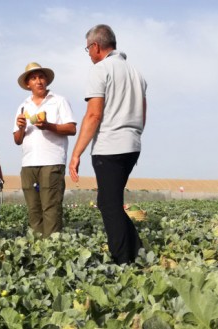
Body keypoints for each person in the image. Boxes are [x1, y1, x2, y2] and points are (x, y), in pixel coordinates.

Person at [69, 24, 147, 265]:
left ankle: (123, 260)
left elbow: (93, 115)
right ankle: (137, 249)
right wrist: (134, 134)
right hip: (132, 144)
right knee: (107, 201)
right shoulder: (136, 72)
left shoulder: (101, 70)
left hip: (109, 146)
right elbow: (143, 112)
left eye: (88, 49)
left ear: (96, 46)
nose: (89, 55)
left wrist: (76, 153)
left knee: (109, 205)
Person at [13, 62, 76, 238]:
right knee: (34, 209)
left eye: (41, 77)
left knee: (51, 208)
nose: (38, 81)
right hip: (28, 163)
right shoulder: (23, 106)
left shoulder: (59, 101)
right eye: (33, 78)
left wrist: (48, 126)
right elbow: (17, 140)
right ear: (28, 84)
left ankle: (52, 250)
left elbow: (71, 129)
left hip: (52, 161)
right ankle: (38, 250)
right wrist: (21, 128)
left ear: (46, 80)